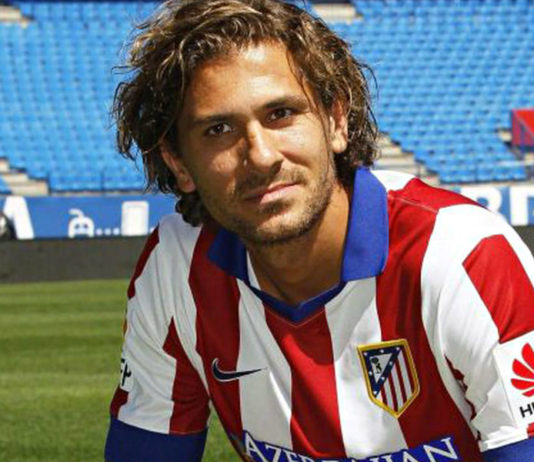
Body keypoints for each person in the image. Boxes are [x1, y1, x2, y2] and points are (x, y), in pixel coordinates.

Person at [104, 1, 534, 461]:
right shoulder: (178, 268)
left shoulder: (463, 256)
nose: (261, 156)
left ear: (335, 120)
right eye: (219, 129)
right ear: (178, 163)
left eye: (281, 113)